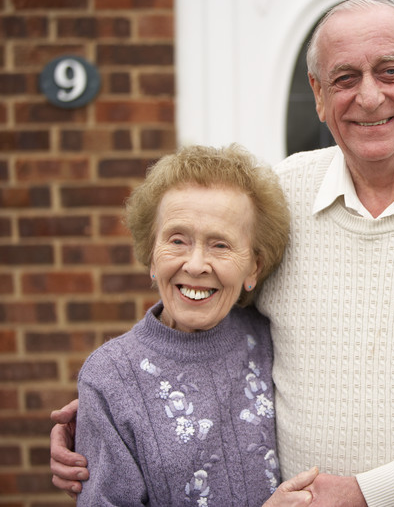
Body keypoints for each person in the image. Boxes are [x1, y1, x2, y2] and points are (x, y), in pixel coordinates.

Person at [51, 0, 394, 507]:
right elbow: (209, 312)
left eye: (390, 72)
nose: (368, 97)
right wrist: (120, 405)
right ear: (319, 95)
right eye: (345, 78)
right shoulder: (281, 197)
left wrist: (369, 494)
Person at [69, 143, 318, 506]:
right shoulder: (109, 376)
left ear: (254, 268)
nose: (196, 264)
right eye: (177, 240)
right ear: (151, 254)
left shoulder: (272, 338)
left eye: (220, 245)